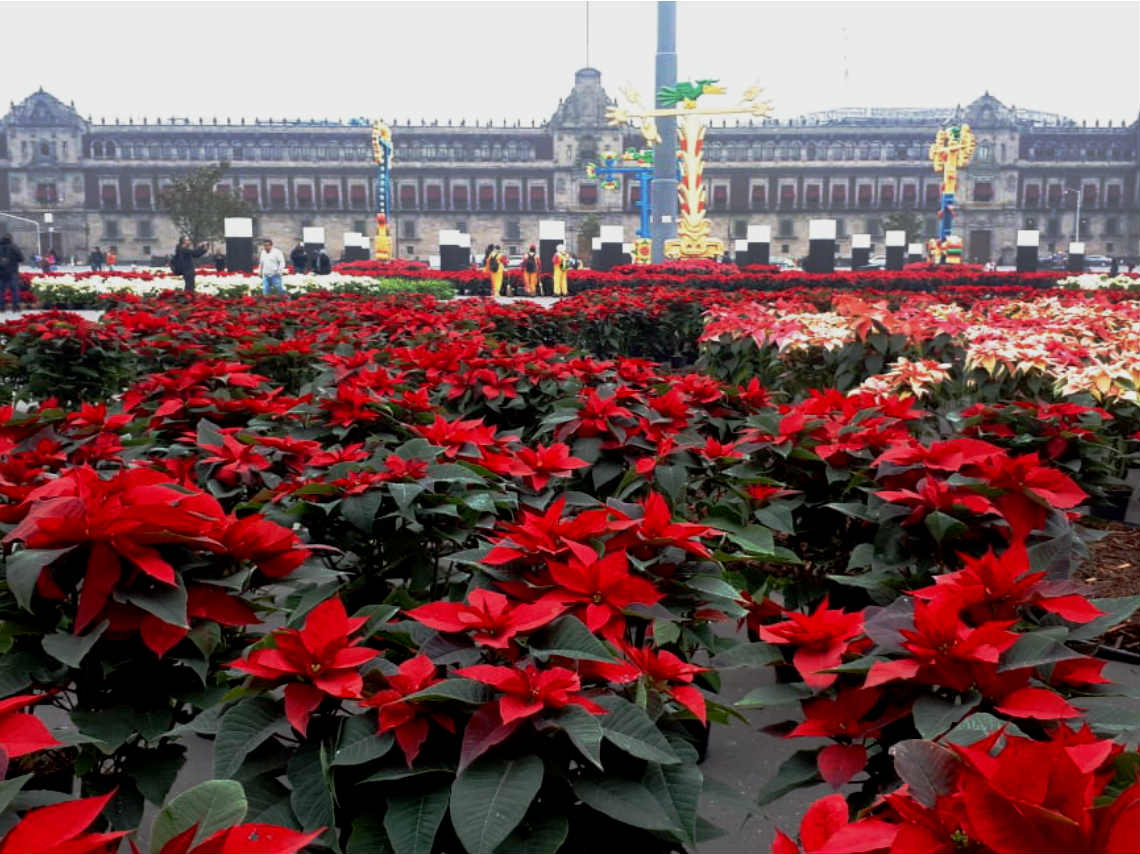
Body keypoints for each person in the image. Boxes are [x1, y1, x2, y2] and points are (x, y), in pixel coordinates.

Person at [0, 234, 25, 312]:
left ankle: (1, 307)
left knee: (1, 290)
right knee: (14, 290)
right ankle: (15, 307)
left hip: (1, 273)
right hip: (12, 272)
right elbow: (21, 258)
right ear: (11, 239)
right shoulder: (14, 247)